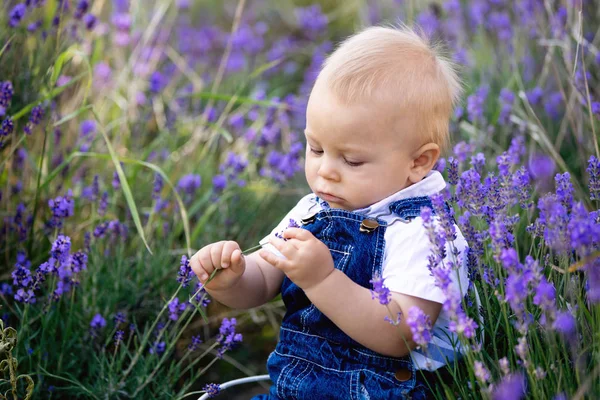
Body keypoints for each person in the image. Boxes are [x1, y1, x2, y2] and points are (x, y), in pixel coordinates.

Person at [190, 25, 471, 399]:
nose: (325, 171)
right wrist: (234, 279)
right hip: (293, 389)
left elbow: (403, 334)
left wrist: (323, 280)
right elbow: (265, 277)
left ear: (418, 162)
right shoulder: (314, 209)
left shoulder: (424, 231)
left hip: (381, 391)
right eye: (316, 149)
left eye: (352, 160)